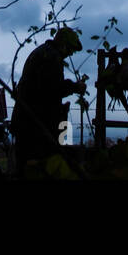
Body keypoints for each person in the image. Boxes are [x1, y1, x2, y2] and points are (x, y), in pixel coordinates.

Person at [10, 27, 85, 175]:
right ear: (64, 44)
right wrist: (75, 87)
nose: (70, 54)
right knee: (37, 169)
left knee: (26, 168)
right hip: (35, 126)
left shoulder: (42, 52)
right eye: (70, 49)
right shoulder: (51, 57)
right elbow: (51, 88)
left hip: (26, 121)